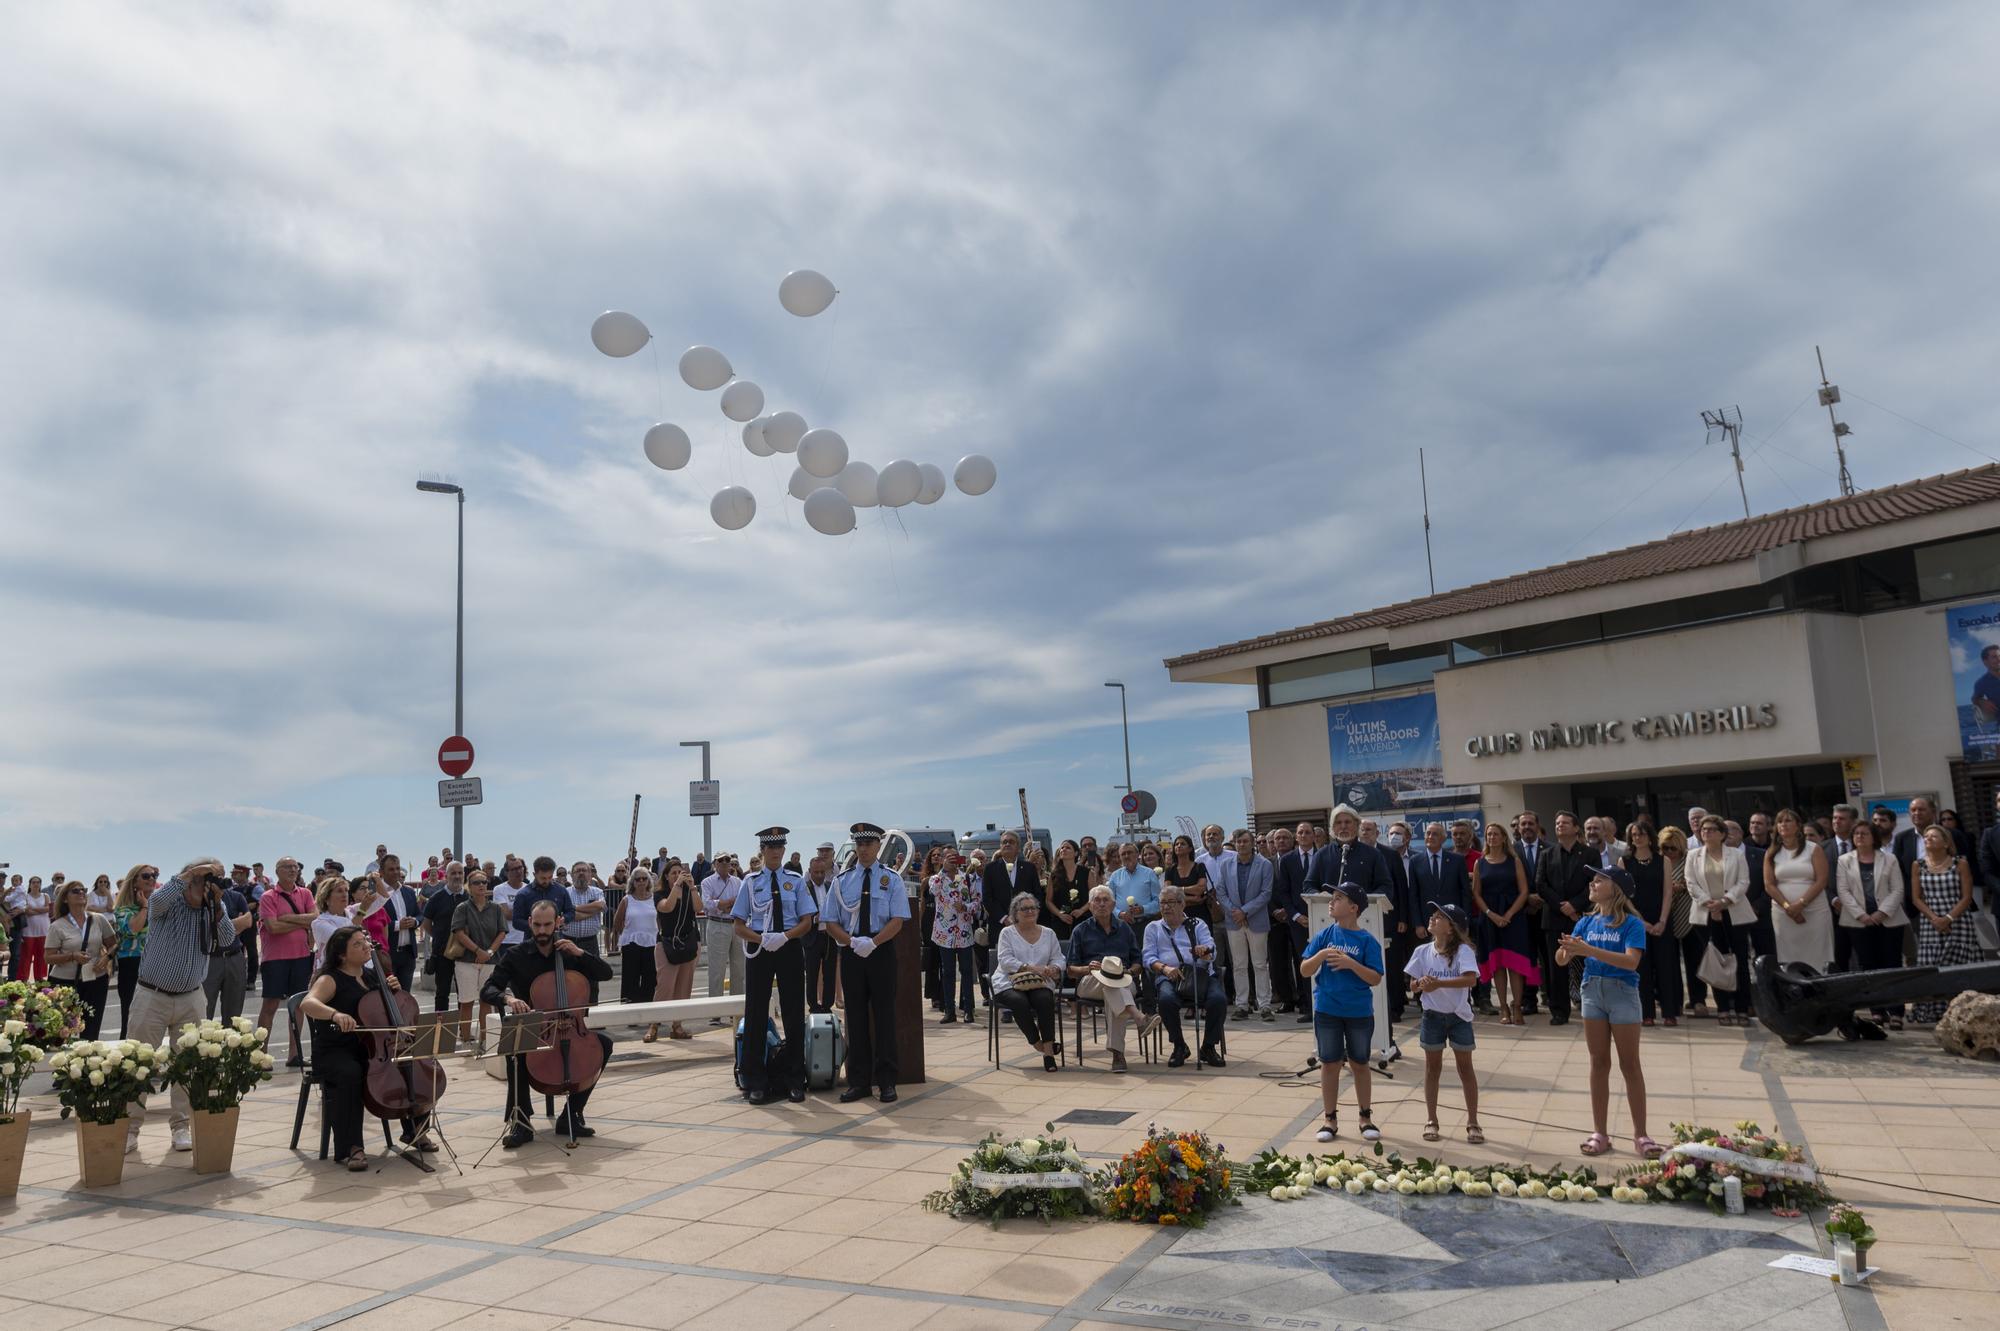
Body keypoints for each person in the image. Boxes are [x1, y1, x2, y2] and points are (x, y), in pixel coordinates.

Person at [125, 859, 253, 1154]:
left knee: (188, 1066)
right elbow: (156, 902)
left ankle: (181, 1127)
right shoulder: (167, 903)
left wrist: (217, 905)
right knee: (138, 1064)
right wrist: (190, 875)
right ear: (190, 878)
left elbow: (225, 939)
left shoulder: (212, 909)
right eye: (207, 879)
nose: (210, 884)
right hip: (152, 994)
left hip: (191, 996)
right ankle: (129, 1128)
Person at [296, 926, 435, 1170]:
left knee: (408, 1061)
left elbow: (386, 1013)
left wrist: (394, 990)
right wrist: (335, 1014)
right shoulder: (330, 979)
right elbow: (308, 1003)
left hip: (369, 1048)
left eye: (365, 942)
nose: (366, 947)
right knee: (350, 1073)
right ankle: (352, 1147)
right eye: (358, 944)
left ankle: (414, 1130)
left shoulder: (372, 977)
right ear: (341, 954)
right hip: (336, 1050)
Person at [481, 901, 614, 1147]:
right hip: (536, 1029)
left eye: (547, 925)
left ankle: (571, 1115)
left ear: (557, 923)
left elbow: (606, 973)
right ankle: (521, 1122)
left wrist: (581, 953)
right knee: (515, 1051)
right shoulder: (516, 955)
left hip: (571, 1028)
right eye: (538, 925)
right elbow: (488, 989)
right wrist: (509, 998)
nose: (542, 931)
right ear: (530, 923)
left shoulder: (568, 952)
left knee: (603, 1045)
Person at [1561, 867, 1660, 1160]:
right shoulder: (1586, 922)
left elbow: (1631, 962)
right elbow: (1561, 960)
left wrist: (1587, 949)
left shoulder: (1632, 924)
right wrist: (1568, 951)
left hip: (1622, 993)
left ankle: (1641, 1134)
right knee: (1598, 1062)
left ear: (1616, 888)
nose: (1593, 882)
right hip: (1592, 991)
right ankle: (1600, 1132)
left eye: (1600, 879)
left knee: (1630, 1065)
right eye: (1593, 878)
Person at [824, 823, 910, 1103]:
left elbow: (897, 921)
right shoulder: (842, 880)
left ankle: (886, 1081)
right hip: (852, 952)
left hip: (880, 949)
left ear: (878, 847)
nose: (863, 849)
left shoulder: (891, 879)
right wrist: (852, 943)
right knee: (856, 1018)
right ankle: (859, 1081)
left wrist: (873, 943)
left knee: (885, 1016)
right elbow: (830, 922)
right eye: (859, 844)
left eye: (868, 844)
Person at [732, 827, 816, 1106]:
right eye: (771, 848)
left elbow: (807, 920)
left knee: (793, 1012)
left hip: (789, 947)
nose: (776, 852)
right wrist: (762, 939)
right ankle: (755, 1080)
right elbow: (739, 925)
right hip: (760, 949)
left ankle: (794, 1078)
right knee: (755, 1012)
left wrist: (785, 936)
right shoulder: (750, 882)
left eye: (780, 847)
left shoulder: (795, 880)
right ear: (762, 851)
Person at [1302, 882, 1383, 1142]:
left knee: (1360, 1062)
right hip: (1327, 1009)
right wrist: (1322, 954)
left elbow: (1375, 978)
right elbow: (1305, 969)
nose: (1332, 902)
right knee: (1329, 1063)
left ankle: (1365, 1116)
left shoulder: (1367, 940)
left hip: (1358, 1011)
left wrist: (1351, 964)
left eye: (1338, 898)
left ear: (1354, 908)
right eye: (1332, 897)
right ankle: (1329, 1118)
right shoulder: (1324, 936)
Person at [1406, 902, 1483, 1146]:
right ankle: (1432, 1119)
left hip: (1459, 1016)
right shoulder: (1422, 951)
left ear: (1451, 929)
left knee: (1465, 1069)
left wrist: (1438, 983)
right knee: (1432, 1069)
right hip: (1432, 1015)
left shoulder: (1463, 952)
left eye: (1440, 917)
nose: (1432, 919)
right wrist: (1421, 984)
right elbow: (1412, 984)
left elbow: (1470, 980)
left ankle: (1473, 1121)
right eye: (1434, 915)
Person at [1144, 884, 1228, 1069]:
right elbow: (1148, 957)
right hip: (1169, 975)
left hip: (1199, 974)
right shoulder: (1153, 928)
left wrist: (1204, 952)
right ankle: (1179, 1046)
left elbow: (1210, 948)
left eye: (1171, 902)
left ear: (1182, 905)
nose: (1166, 907)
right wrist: (1165, 968)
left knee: (1218, 1000)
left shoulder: (1197, 924)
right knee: (1166, 1000)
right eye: (1162, 903)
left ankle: (1208, 1047)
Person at [1834, 820, 1908, 1028]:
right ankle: (1876, 1010)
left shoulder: (1889, 859)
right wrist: (1861, 915)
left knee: (1891, 964)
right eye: (1856, 834)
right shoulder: (1844, 860)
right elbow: (1844, 891)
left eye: (1864, 833)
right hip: (1858, 921)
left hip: (1889, 920)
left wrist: (1881, 912)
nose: (1859, 837)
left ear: (1873, 837)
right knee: (1868, 965)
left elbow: (1897, 890)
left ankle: (1896, 1011)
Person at [1067, 885, 1146, 1074]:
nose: (1101, 904)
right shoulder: (1080, 930)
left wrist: (1131, 971)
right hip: (1089, 981)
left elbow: (1138, 962)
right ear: (1090, 905)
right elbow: (1070, 970)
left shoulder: (1125, 929)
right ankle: (1138, 1018)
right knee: (1111, 985)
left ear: (1113, 904)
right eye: (1097, 900)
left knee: (1115, 989)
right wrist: (1087, 968)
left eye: (1105, 900)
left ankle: (1117, 1053)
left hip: (1124, 980)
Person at [1686, 815, 1754, 1026]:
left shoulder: (1736, 855)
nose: (1706, 832)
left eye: (1712, 829)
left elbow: (1743, 882)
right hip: (1706, 914)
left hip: (1734, 911)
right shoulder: (1693, 855)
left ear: (1723, 834)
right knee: (1716, 960)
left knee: (1739, 960)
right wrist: (1710, 904)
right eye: (1704, 829)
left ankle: (1742, 1007)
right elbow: (1691, 884)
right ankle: (1723, 1007)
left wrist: (1725, 901)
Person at [1467, 822, 1538, 1026]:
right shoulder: (1480, 863)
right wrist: (1491, 914)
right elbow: (1476, 894)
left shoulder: (1514, 860)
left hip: (1513, 918)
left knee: (1514, 965)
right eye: (1489, 834)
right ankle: (1504, 1008)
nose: (1492, 838)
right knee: (1497, 966)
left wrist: (1508, 914)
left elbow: (1524, 891)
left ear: (1504, 837)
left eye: (1496, 834)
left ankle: (1517, 1006)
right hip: (1489, 919)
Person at [1530, 813, 1595, 1026]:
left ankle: (1592, 1005)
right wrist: (1563, 907)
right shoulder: (1547, 854)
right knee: (1555, 966)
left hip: (1583, 917)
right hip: (1555, 919)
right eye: (1557, 823)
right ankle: (1559, 1010)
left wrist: (1575, 905)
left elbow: (1595, 882)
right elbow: (1541, 884)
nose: (1560, 826)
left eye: (1565, 823)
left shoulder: (1590, 853)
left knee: (1588, 962)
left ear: (1576, 829)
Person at [1910, 825, 1978, 1025]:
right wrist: (1935, 919)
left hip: (1958, 920)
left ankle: (1962, 1010)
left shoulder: (1960, 863)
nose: (1928, 839)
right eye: (1926, 836)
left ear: (1946, 843)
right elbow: (1916, 898)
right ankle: (1932, 1010)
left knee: (1958, 966)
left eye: (1933, 836)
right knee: (1932, 966)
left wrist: (1947, 918)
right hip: (1930, 921)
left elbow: (1967, 897)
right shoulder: (1918, 865)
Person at [255, 857, 318, 1064]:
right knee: (270, 1005)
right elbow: (273, 927)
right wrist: (301, 922)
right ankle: (261, 1055)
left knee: (298, 1005)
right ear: (277, 871)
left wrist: (287, 918)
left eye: (295, 867)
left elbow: (315, 917)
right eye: (287, 867)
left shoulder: (306, 893)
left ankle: (295, 1054)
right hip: (275, 959)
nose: (293, 870)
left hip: (301, 956)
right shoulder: (268, 896)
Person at [992, 892, 1065, 1070]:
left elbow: (1059, 958)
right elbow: (1005, 960)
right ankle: (1036, 1042)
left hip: (1040, 981)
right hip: (1008, 981)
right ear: (1015, 913)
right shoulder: (1007, 933)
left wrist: (1054, 968)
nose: (1029, 911)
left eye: (1033, 908)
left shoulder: (1048, 933)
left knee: (1045, 999)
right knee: (1019, 1001)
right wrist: (1031, 967)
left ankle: (1048, 1053)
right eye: (1024, 908)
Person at [1212, 829, 1275, 1022]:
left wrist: (1245, 911)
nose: (1241, 845)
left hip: (1256, 920)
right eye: (1238, 842)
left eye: (1245, 841)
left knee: (1260, 964)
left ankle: (1264, 1005)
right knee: (1238, 965)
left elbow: (1266, 893)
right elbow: (1220, 892)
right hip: (1233, 921)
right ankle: (1242, 1005)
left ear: (1252, 843)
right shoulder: (1226, 864)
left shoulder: (1264, 864)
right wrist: (1234, 912)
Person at [1622, 822, 1681, 1026]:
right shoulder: (1625, 861)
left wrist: (1662, 920)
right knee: (1642, 967)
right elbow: (1624, 896)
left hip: (1661, 917)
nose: (1638, 838)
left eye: (1642, 834)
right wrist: (1641, 921)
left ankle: (1669, 1012)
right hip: (1636, 919)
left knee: (1665, 965)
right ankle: (1646, 1012)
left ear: (1650, 836)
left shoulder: (1662, 860)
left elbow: (1667, 892)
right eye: (1634, 834)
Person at [1766, 809, 1835, 973]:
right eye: (1780, 821)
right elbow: (1769, 884)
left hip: (1814, 910)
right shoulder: (1772, 852)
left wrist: (1801, 904)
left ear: (1798, 825)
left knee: (1816, 955)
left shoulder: (1813, 849)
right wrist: (1788, 907)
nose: (1784, 825)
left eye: (1788, 821)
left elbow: (1821, 880)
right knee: (1789, 956)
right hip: (1783, 913)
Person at [46, 882, 117, 1041]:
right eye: (75, 891)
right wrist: (72, 956)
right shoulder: (57, 925)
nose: (81, 893)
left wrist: (107, 957)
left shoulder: (98, 919)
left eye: (83, 890)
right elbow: (48, 957)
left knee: (92, 1027)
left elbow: (113, 944)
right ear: (65, 899)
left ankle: (87, 1062)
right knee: (63, 1031)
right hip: (65, 983)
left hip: (95, 979)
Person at [450, 873, 507, 1055]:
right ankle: (466, 1040)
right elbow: (459, 932)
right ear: (469, 886)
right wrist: (477, 951)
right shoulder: (462, 908)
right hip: (466, 960)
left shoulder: (496, 908)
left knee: (486, 1001)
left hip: (490, 960)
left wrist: (488, 952)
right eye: (476, 882)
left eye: (484, 882)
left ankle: (484, 1039)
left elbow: (502, 932)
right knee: (466, 1001)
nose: (481, 885)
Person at [929, 851, 981, 1024]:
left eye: (954, 858)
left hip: (964, 931)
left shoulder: (968, 878)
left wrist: (965, 907)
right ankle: (949, 1011)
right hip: (944, 933)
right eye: (948, 858)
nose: (951, 861)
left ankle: (968, 1010)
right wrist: (943, 870)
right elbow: (933, 891)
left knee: (966, 971)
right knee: (948, 972)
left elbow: (977, 902)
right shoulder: (937, 878)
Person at [1305, 805, 1391, 906]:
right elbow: (1309, 885)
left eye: (1347, 822)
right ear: (1333, 827)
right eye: (1338, 822)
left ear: (1357, 825)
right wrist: (1319, 896)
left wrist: (1367, 900)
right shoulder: (1321, 855)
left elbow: (1385, 886)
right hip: (1328, 913)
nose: (1343, 826)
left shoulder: (1373, 854)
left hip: (1365, 914)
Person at [653, 862, 701, 1038]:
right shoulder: (659, 894)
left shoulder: (689, 892)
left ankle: (677, 1025)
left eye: (680, 872)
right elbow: (667, 907)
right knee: (665, 986)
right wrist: (677, 886)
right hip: (666, 943)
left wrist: (692, 887)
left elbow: (699, 908)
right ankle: (654, 1024)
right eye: (673, 873)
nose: (677, 875)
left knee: (684, 986)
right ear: (666, 876)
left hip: (687, 942)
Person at [111, 866, 156, 1038]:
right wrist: (144, 907)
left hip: (152, 963)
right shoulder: (124, 909)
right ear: (134, 882)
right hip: (132, 964)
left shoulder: (156, 906)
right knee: (131, 1018)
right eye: (146, 876)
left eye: (153, 875)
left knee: (152, 1018)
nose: (151, 879)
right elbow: (133, 929)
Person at [202, 869, 252, 1022]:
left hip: (234, 957)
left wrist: (220, 927)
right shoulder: (198, 900)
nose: (221, 880)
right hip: (209, 959)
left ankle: (231, 1045)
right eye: (215, 877)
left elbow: (248, 921)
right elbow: (205, 931)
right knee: (204, 1012)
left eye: (221, 876)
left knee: (234, 1014)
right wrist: (232, 926)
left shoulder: (236, 896)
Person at [421, 860, 467, 1021]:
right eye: (453, 873)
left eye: (460, 873)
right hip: (442, 954)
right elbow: (426, 924)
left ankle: (464, 1028)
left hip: (465, 954)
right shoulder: (436, 898)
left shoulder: (469, 897)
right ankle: (442, 1030)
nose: (457, 876)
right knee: (442, 993)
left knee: (465, 994)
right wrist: (441, 938)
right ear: (446, 876)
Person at [982, 830, 1043, 943]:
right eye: (1004, 842)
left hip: (1026, 925)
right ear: (1000, 847)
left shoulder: (1029, 868)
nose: (1007, 844)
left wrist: (1027, 914)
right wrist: (1004, 918)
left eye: (1011, 842)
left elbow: (1037, 895)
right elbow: (987, 898)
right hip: (999, 926)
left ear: (1018, 848)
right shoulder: (990, 869)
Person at [700, 855, 745, 1003]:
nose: (725, 863)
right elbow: (707, 904)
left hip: (736, 925)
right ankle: (715, 1010)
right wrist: (729, 902)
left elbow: (742, 903)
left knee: (739, 969)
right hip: (717, 924)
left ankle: (736, 1008)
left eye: (728, 861)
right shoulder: (707, 882)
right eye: (721, 860)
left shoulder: (738, 882)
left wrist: (721, 904)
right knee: (717, 970)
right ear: (714, 864)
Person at [613, 867, 658, 1009]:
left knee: (650, 977)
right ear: (632, 882)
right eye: (638, 879)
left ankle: (647, 1009)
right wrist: (626, 933)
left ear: (648, 881)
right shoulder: (627, 900)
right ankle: (629, 1011)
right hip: (631, 943)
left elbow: (660, 920)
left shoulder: (654, 899)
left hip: (651, 942)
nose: (641, 882)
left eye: (644, 878)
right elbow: (617, 921)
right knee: (630, 978)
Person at [1106, 840, 1163, 932]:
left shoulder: (1149, 873)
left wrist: (1143, 909)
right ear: (1120, 857)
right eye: (1123, 854)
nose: (1127, 856)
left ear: (1137, 854)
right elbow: (1109, 902)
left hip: (1145, 924)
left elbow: (1158, 901)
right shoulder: (1115, 876)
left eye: (1129, 852)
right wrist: (1120, 914)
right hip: (1122, 925)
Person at [10, 875, 50, 981]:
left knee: (41, 957)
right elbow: (26, 911)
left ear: (40, 884)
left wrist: (32, 910)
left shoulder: (45, 895)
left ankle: (39, 980)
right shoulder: (26, 896)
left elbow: (48, 909)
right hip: (28, 932)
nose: (36, 884)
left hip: (44, 931)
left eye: (38, 882)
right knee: (26, 957)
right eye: (33, 882)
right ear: (30, 884)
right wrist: (40, 910)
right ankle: (23, 980)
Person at [1047, 840, 1090, 937]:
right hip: (1061, 922)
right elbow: (1048, 901)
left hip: (1083, 919)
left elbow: (1094, 896)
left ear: (1076, 853)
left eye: (1068, 847)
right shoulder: (1054, 875)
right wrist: (1060, 915)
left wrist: (1082, 910)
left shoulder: (1086, 872)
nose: (1063, 850)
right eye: (1062, 848)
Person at [565, 862, 606, 956]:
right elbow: (571, 915)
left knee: (592, 970)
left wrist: (574, 907)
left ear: (590, 875)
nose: (581, 873)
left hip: (591, 942)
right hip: (569, 942)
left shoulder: (597, 892)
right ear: (572, 875)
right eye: (577, 871)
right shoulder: (565, 893)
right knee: (570, 970)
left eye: (584, 870)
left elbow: (600, 906)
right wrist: (592, 911)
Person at [312, 876, 353, 964]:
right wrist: (362, 912)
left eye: (346, 890)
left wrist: (377, 879)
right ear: (326, 898)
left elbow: (381, 899)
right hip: (334, 972)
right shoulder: (319, 923)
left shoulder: (351, 912)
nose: (344, 894)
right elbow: (344, 940)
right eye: (339, 891)